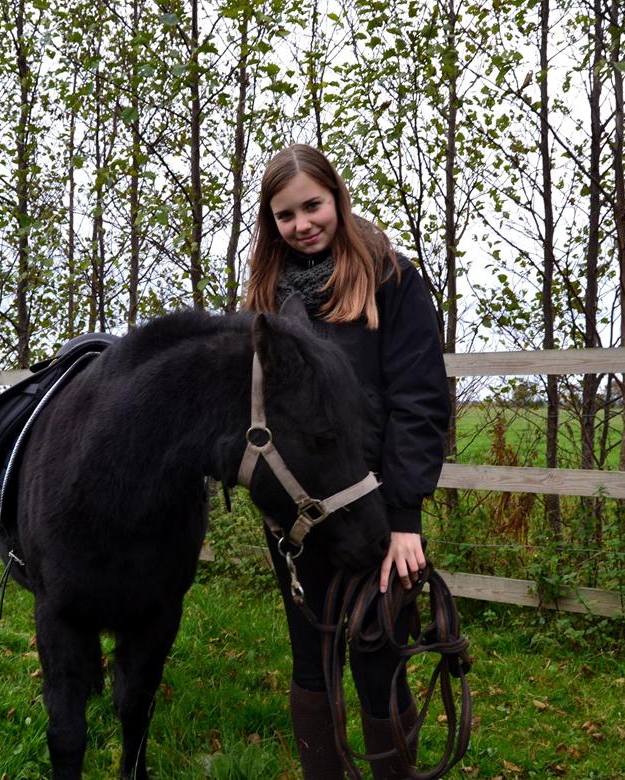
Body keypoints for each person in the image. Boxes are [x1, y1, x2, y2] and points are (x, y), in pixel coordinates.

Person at [244, 143, 451, 779]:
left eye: (312, 206)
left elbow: (419, 401)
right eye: (285, 215)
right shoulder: (267, 297)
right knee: (312, 660)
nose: (302, 224)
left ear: (336, 196)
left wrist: (406, 517)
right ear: (271, 222)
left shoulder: (390, 278)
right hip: (300, 518)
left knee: (378, 655)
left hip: (375, 509)